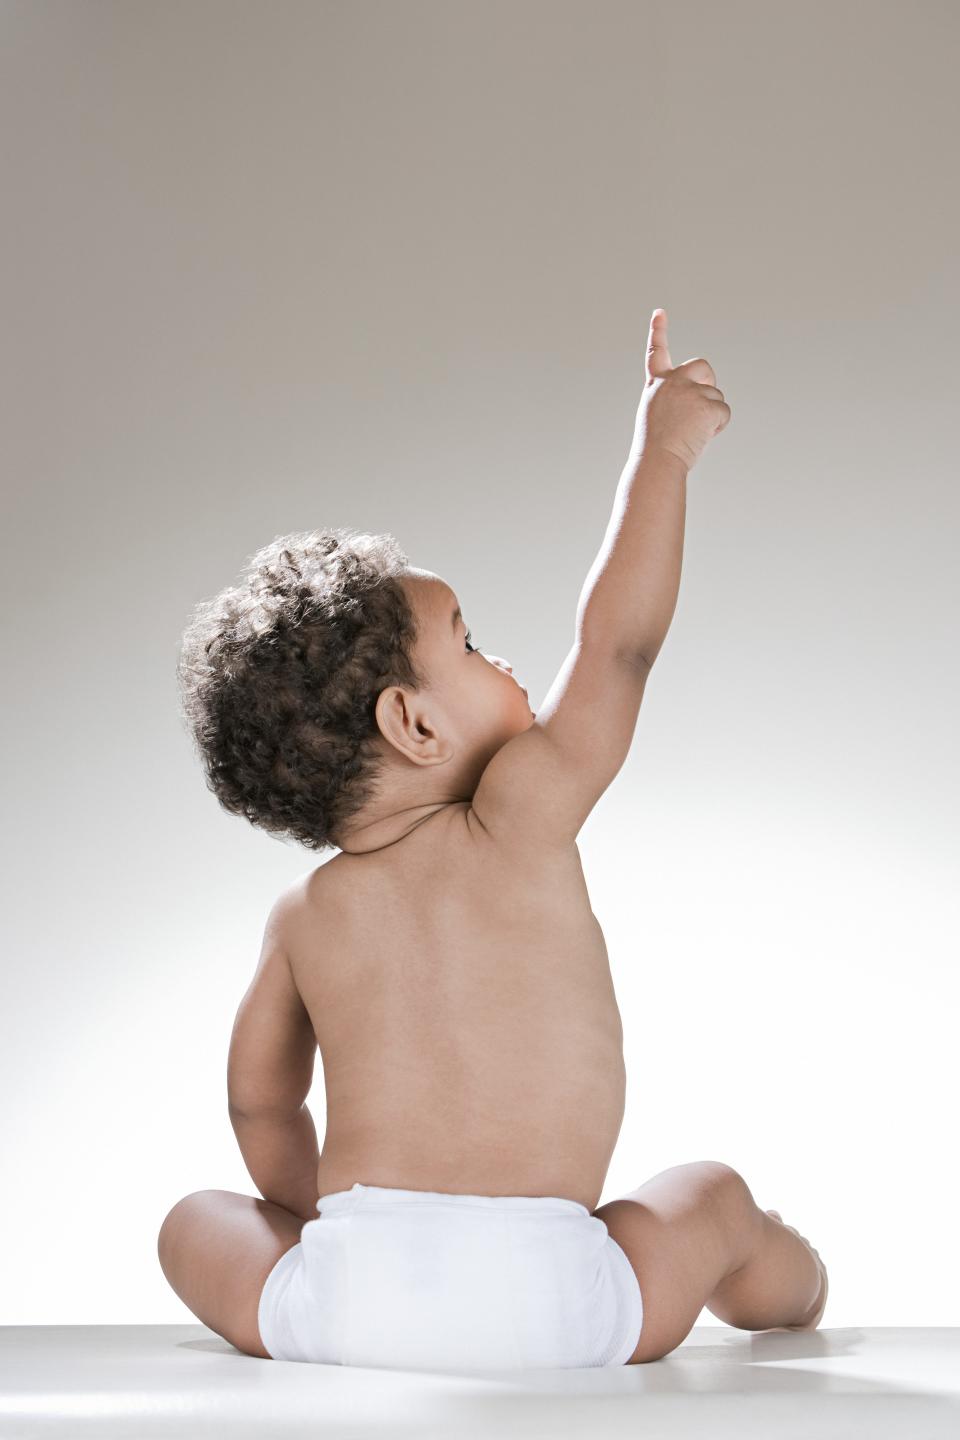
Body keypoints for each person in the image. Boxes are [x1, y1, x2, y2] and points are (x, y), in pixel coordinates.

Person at [158, 308, 827, 1370]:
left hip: (351, 1306)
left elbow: (259, 1099)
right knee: (709, 1198)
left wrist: (322, 1225)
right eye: (469, 641)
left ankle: (314, 1283)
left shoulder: (304, 916)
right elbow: (617, 650)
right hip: (560, 1304)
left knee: (195, 1218)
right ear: (414, 725)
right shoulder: (520, 820)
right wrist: (661, 457)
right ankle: (789, 1282)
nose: (505, 660)